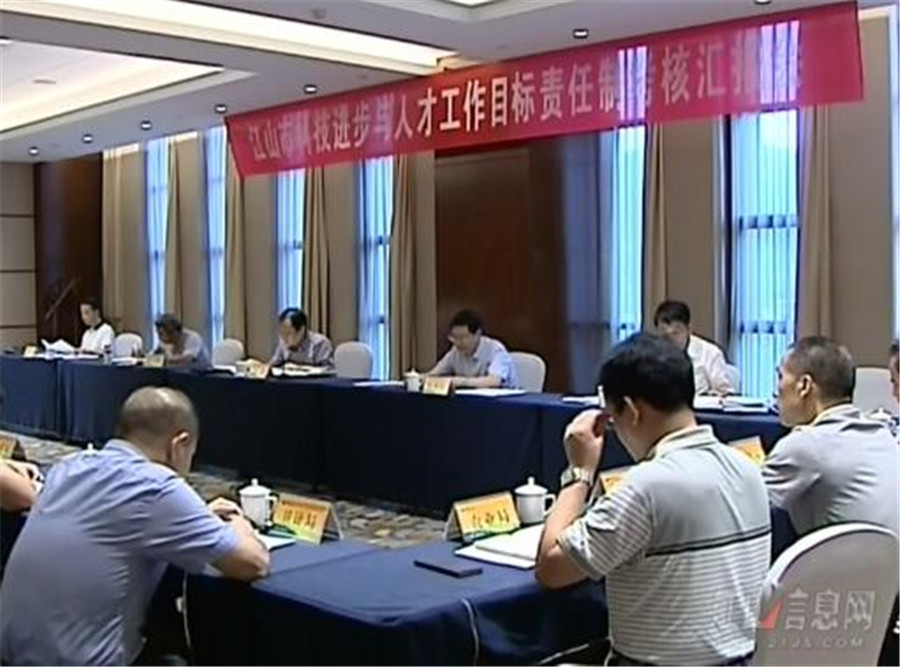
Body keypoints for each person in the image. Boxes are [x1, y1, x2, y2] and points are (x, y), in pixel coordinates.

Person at [536, 333, 770, 666]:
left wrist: (580, 471)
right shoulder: (747, 469)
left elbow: (551, 568)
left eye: (613, 419)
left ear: (632, 411)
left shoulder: (647, 487)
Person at [0, 387, 269, 666]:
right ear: (179, 444)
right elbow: (252, 563)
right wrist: (239, 522)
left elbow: (116, 516)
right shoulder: (157, 486)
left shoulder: (69, 466)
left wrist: (197, 515)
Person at [763, 336, 899, 536]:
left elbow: (744, 505)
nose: (777, 390)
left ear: (804, 386)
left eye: (781, 377)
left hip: (848, 555)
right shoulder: (881, 434)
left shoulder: (806, 444)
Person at [654, 300, 735, 396]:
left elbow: (725, 392)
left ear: (688, 329)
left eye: (676, 333)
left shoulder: (709, 353)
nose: (671, 340)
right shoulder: (651, 355)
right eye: (665, 336)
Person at [427, 309, 518, 389]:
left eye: (463, 337)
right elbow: (433, 374)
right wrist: (421, 379)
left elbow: (494, 381)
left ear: (478, 334)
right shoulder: (455, 351)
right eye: (455, 337)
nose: (458, 343)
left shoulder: (495, 349)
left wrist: (461, 382)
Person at [269, 308, 334, 368]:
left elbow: (328, 370)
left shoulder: (320, 343)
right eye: (282, 333)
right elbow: (274, 362)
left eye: (288, 333)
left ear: (301, 330)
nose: (284, 337)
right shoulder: (283, 341)